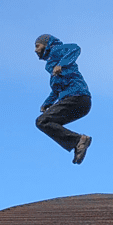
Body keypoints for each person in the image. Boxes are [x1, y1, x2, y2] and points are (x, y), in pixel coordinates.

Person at [34, 34, 92, 163]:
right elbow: (56, 90)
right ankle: (78, 142)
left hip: (77, 97)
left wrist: (62, 63)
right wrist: (47, 103)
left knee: (42, 122)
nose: (35, 50)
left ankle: (79, 140)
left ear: (46, 44)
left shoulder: (56, 50)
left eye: (37, 46)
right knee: (44, 122)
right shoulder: (52, 66)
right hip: (79, 104)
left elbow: (75, 48)